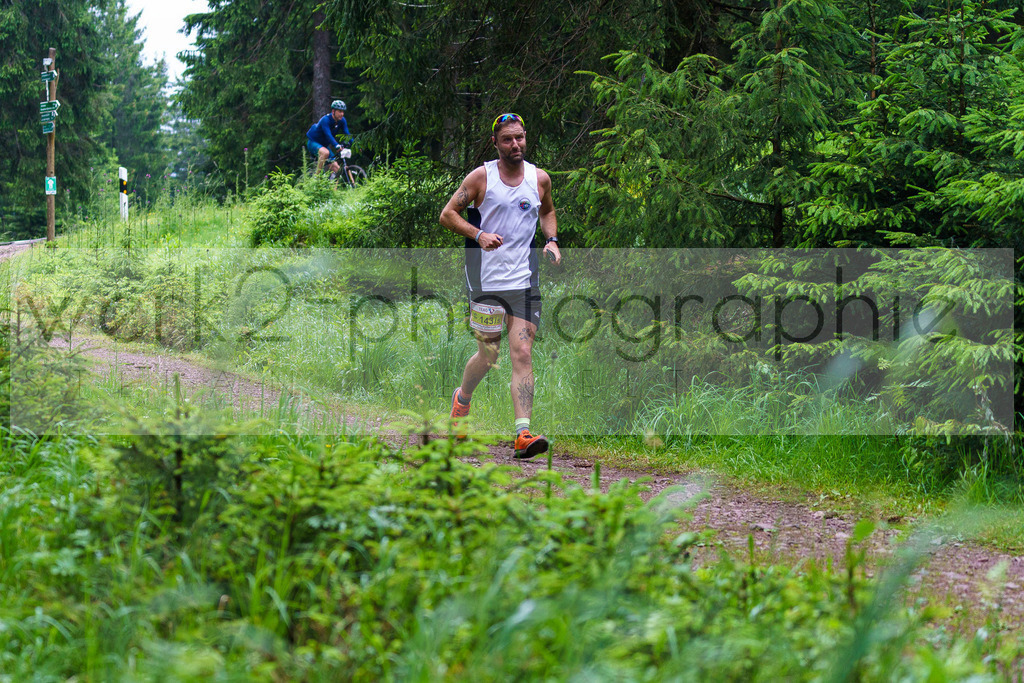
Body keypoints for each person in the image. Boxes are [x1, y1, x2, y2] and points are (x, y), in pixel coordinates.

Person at [439, 112, 562, 458]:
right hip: (486, 282)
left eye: (520, 137)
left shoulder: (539, 179)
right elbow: (448, 214)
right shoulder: (482, 177)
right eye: (507, 139)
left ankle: (523, 433)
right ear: (495, 143)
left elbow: (547, 211)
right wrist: (478, 235)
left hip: (524, 281)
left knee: (522, 352)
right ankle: (461, 402)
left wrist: (551, 239)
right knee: (489, 354)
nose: (515, 145)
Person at [306, 100, 351, 176]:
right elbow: (328, 135)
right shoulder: (325, 120)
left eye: (343, 112)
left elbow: (347, 134)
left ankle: (333, 188)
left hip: (324, 145)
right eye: (340, 111)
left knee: (337, 169)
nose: (342, 114)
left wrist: (356, 144)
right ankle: (316, 178)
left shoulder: (342, 121)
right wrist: (336, 145)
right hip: (313, 142)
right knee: (325, 152)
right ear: (333, 111)